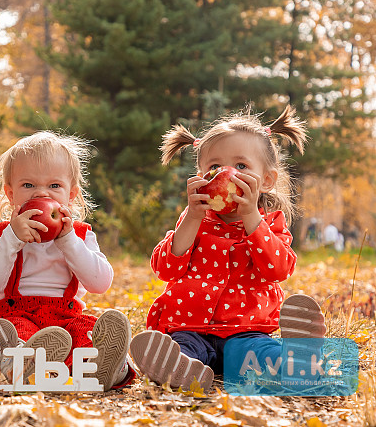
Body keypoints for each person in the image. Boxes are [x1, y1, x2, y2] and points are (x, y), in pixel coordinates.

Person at [130, 105, 326, 392]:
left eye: (242, 166)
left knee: (256, 354)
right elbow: (164, 268)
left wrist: (251, 219)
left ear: (267, 180)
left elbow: (279, 268)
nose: (226, 174)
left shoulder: (269, 223)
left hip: (246, 330)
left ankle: (296, 362)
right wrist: (192, 218)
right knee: (182, 349)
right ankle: (178, 370)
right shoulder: (195, 219)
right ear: (200, 176)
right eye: (214, 167)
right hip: (190, 327)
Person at [0, 131, 136, 391]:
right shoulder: (0, 235)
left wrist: (68, 242)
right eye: (28, 185)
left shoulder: (79, 235)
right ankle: (21, 363)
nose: (41, 193)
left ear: (71, 194)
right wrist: (12, 239)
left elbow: (100, 283)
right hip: (15, 314)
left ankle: (104, 366)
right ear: (10, 195)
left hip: (65, 319)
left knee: (82, 331)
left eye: (54, 186)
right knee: (12, 332)